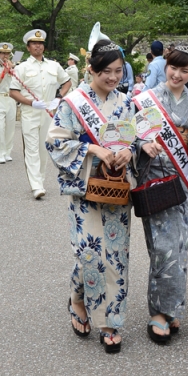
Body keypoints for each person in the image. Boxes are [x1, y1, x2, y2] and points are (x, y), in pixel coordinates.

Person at [46, 38, 135, 354]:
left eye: (118, 71)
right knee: (90, 254)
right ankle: (77, 298)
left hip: (116, 191)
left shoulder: (125, 103)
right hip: (85, 192)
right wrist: (90, 148)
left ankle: (110, 322)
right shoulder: (72, 103)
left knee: (115, 257)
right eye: (106, 72)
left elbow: (134, 139)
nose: (113, 78)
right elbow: (55, 143)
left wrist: (127, 151)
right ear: (91, 70)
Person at [134, 44, 188, 343]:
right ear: (165, 65)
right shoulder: (146, 100)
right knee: (162, 247)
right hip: (155, 180)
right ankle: (159, 312)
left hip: (183, 183)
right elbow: (135, 134)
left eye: (185, 70)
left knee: (179, 248)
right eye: (174, 67)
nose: (178, 74)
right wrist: (143, 145)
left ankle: (172, 307)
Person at [9, 29, 71, 199]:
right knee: (31, 149)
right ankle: (36, 185)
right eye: (34, 44)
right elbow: (13, 91)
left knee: (44, 149)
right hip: (30, 112)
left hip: (48, 112)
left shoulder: (54, 65)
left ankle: (40, 180)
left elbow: (67, 82)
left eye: (41, 43)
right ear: (28, 47)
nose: (38, 46)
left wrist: (59, 98)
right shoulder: (22, 67)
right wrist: (30, 102)